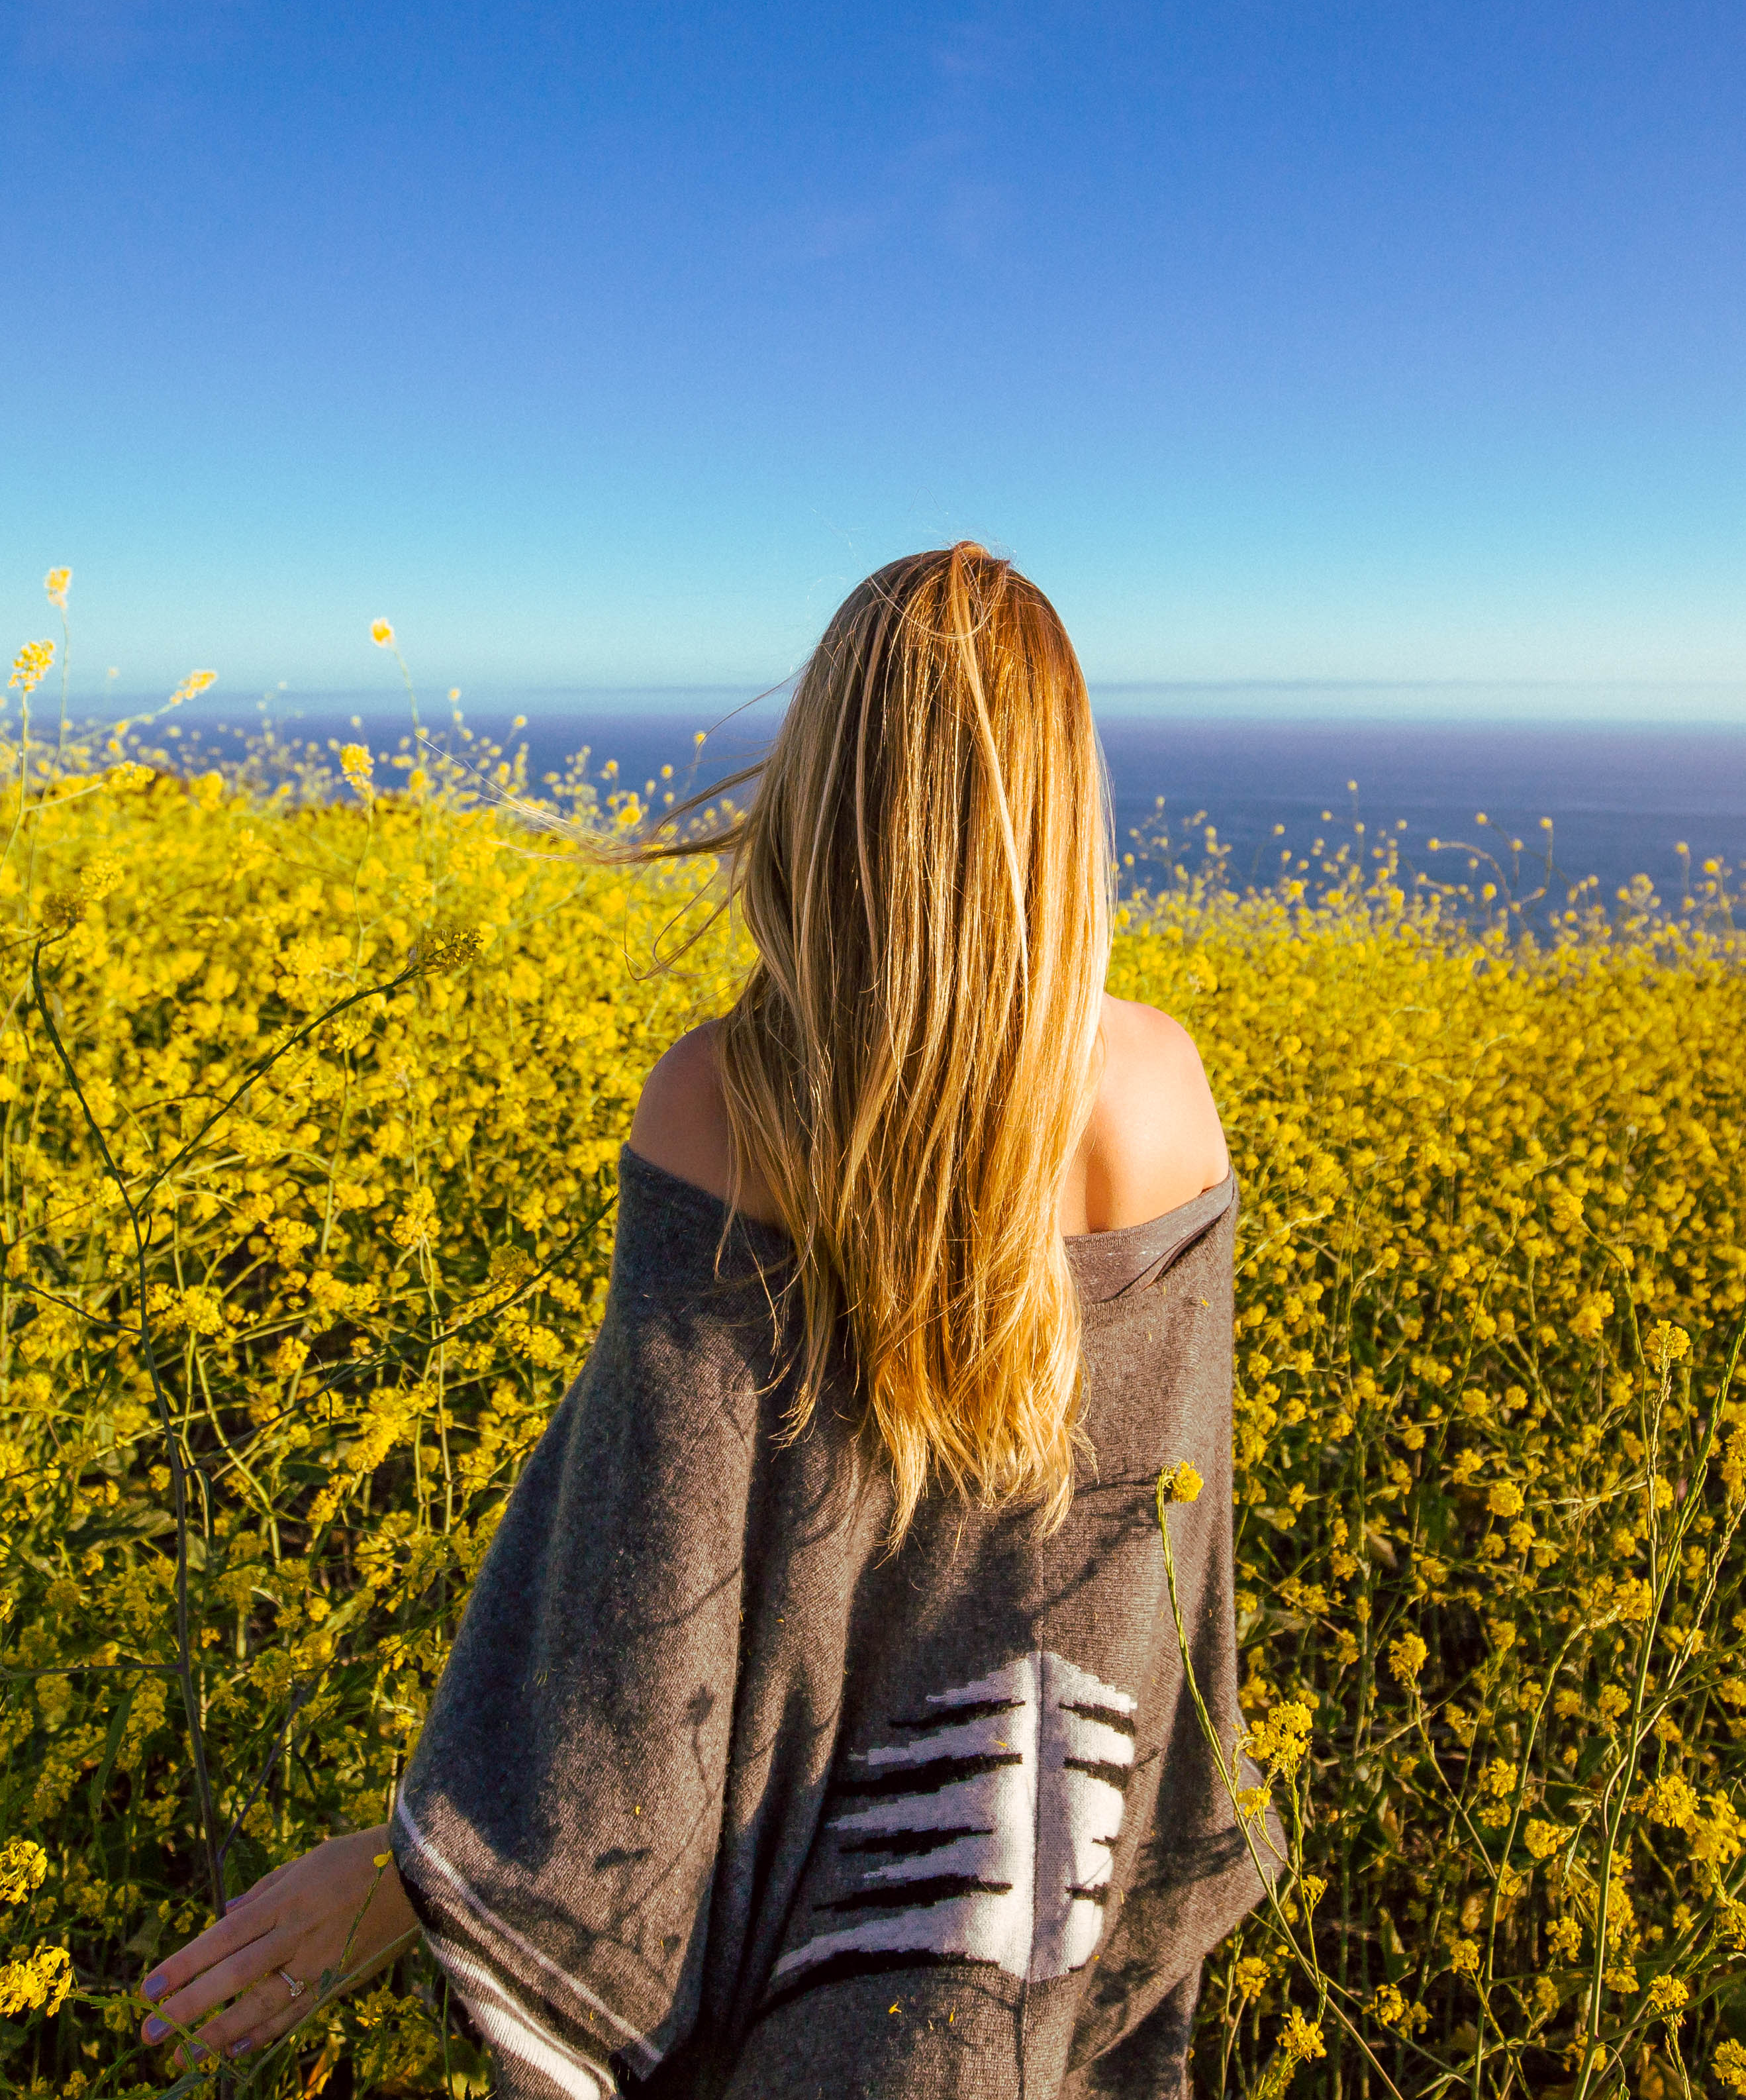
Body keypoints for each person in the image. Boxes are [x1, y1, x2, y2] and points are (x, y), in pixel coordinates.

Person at [138, 544, 1275, 2096]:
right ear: (1064, 810)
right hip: (1041, 1971)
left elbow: (632, 1603)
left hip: (807, 2011)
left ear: (826, 787)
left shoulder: (727, 1103)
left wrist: (419, 1864)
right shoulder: (1168, 1097)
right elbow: (1155, 1588)